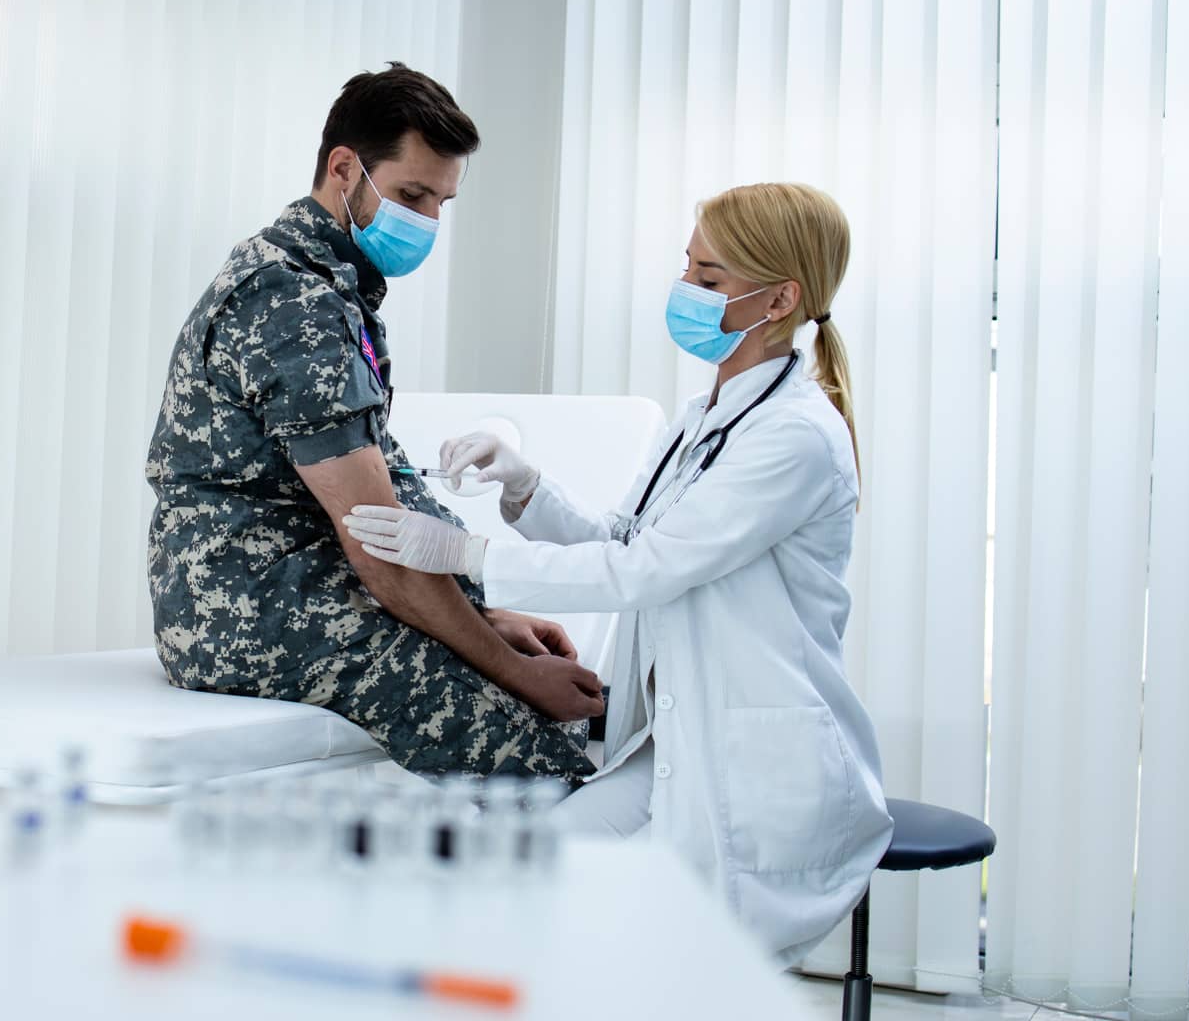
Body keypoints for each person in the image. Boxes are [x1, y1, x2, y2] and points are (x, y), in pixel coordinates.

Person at [342, 182, 892, 963]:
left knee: (677, 973)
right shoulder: (705, 419)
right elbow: (625, 536)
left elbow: (647, 571)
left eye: (709, 279)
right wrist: (523, 485)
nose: (686, 292)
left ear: (780, 299)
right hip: (674, 751)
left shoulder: (795, 436)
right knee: (534, 887)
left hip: (756, 773)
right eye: (687, 268)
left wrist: (470, 557)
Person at [144, 64, 604, 782]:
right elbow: (379, 543)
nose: (427, 222)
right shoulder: (293, 301)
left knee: (550, 717)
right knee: (538, 762)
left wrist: (483, 616)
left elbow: (379, 486)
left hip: (299, 582)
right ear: (344, 168)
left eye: (442, 203)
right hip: (250, 609)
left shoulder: (326, 284)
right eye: (412, 194)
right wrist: (511, 667)